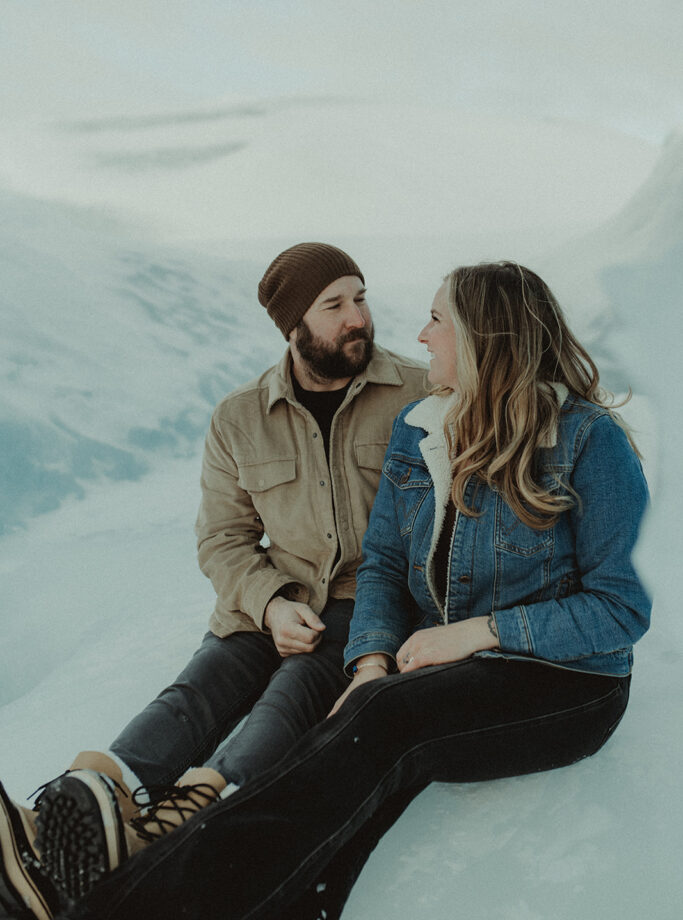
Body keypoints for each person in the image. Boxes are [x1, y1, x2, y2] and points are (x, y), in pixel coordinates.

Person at [5, 261, 652, 920]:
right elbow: (380, 563)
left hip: (562, 681)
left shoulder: (585, 441)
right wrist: (369, 662)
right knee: (342, 745)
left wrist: (474, 633)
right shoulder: (420, 428)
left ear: (483, 336)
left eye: (436, 319)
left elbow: (619, 610)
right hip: (445, 669)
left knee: (376, 727)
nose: (421, 335)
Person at [0, 243, 427, 920]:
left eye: (360, 296)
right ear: (293, 326)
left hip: (362, 602)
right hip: (268, 602)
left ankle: (191, 811)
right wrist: (271, 604)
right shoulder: (239, 417)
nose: (358, 318)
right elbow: (223, 539)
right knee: (198, 690)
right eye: (335, 305)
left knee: (288, 695)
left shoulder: (416, 393)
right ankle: (82, 806)